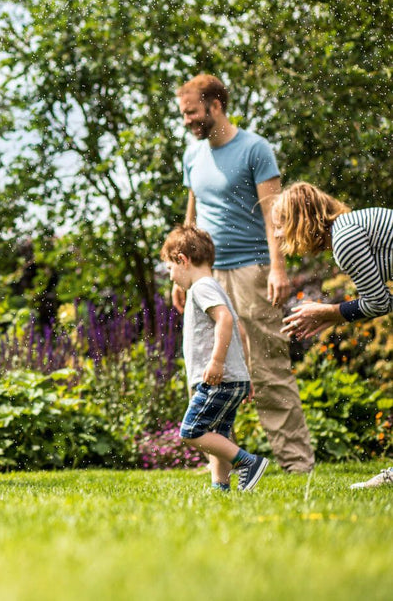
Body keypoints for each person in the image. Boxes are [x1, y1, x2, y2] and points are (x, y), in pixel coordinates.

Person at [175, 74, 315, 473]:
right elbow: (191, 218)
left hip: (252, 271)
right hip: (206, 275)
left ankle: (296, 463)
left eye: (192, 113)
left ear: (216, 106)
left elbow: (275, 216)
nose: (187, 121)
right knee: (207, 369)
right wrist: (183, 273)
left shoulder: (255, 149)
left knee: (268, 368)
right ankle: (223, 463)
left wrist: (278, 269)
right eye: (184, 114)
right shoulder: (193, 156)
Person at [273, 181, 393, 489]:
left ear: (300, 220)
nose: (277, 235)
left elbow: (378, 303)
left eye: (280, 225)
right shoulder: (348, 228)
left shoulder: (345, 239)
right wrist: (330, 317)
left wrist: (328, 312)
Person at [162, 225, 269, 491]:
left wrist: (217, 362)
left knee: (192, 431)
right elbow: (240, 331)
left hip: (219, 380)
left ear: (182, 260)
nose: (171, 276)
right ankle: (220, 487)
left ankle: (248, 462)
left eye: (170, 268)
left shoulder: (201, 288)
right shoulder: (214, 287)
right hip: (233, 378)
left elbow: (225, 320)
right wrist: (245, 375)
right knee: (218, 433)